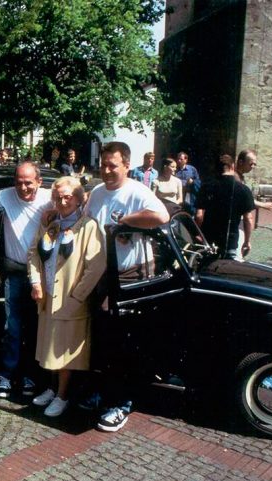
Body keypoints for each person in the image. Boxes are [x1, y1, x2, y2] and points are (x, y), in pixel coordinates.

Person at [82, 141, 169, 432]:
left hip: (130, 275)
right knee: (102, 337)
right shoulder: (97, 192)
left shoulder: (137, 192)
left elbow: (162, 216)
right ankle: (104, 392)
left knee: (124, 342)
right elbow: (87, 224)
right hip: (102, 273)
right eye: (103, 165)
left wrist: (126, 222)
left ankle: (120, 403)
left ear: (127, 166)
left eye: (113, 166)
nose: (106, 171)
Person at [28, 177, 106, 417]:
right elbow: (33, 253)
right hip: (48, 297)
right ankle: (52, 389)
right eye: (58, 197)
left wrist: (77, 297)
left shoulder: (88, 227)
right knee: (50, 347)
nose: (62, 202)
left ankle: (62, 396)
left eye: (68, 197)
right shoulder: (51, 224)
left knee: (64, 353)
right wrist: (36, 282)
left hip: (70, 300)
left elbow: (96, 266)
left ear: (79, 199)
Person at [0, 161, 53, 399]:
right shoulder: (4, 196)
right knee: (12, 327)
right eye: (19, 182)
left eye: (28, 182)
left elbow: (76, 208)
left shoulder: (51, 198)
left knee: (37, 328)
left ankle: (31, 376)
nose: (23, 187)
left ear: (39, 181)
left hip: (43, 274)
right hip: (15, 272)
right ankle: (6, 376)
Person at [195, 154, 255, 259]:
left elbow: (199, 215)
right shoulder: (244, 189)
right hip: (230, 241)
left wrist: (199, 234)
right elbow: (248, 219)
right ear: (232, 166)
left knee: (206, 265)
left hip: (208, 239)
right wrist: (247, 241)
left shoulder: (206, 186)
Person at [234, 149, 272, 260]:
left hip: (237, 222)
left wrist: (263, 204)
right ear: (241, 162)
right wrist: (263, 205)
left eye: (255, 164)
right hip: (236, 222)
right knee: (237, 257)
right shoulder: (235, 178)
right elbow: (245, 203)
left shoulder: (240, 176)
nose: (253, 166)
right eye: (251, 164)